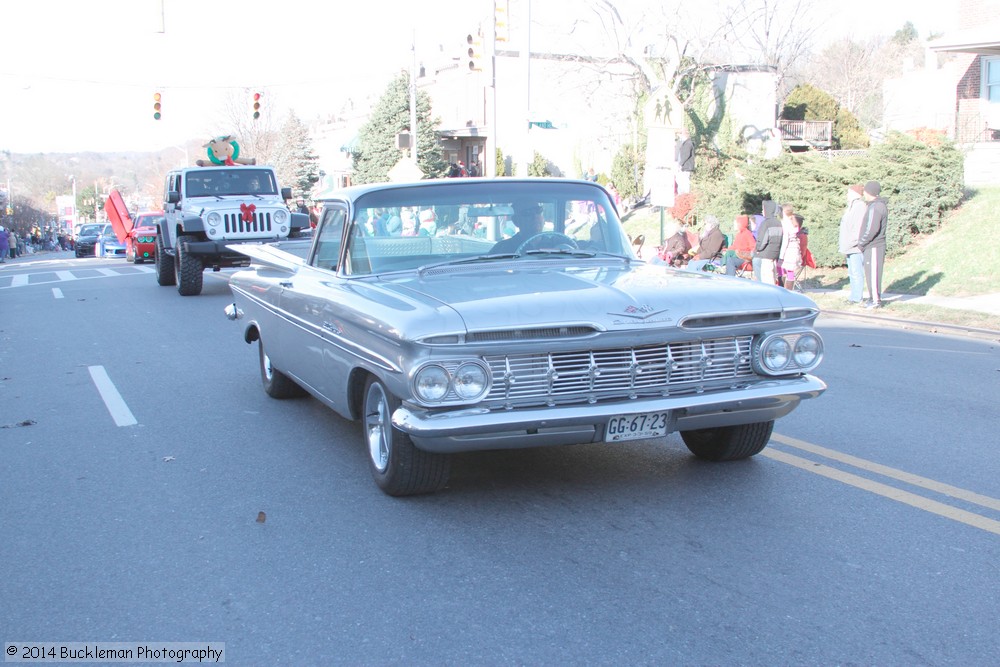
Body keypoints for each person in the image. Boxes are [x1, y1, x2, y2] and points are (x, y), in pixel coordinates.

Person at [858, 180, 888, 308]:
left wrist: (862, 243)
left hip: (874, 245)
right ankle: (872, 298)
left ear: (869, 192)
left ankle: (875, 300)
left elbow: (872, 229)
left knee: (874, 273)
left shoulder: (876, 207)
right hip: (870, 246)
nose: (864, 193)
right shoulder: (873, 206)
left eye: (865, 190)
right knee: (870, 273)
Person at [838, 184, 867, 304]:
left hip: (855, 247)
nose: (847, 195)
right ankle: (854, 295)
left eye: (849, 192)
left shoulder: (859, 206)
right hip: (849, 246)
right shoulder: (851, 207)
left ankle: (857, 297)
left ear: (855, 194)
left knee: (856, 272)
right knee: (852, 272)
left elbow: (858, 228)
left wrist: (853, 242)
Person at [753, 200, 783, 284]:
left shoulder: (766, 223)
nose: (762, 211)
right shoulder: (779, 223)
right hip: (776, 253)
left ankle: (768, 292)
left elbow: (762, 241)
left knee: (766, 276)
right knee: (773, 274)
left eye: (764, 209)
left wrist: (758, 249)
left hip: (766, 253)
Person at [777, 206, 802, 291]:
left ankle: (785, 291)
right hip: (794, 249)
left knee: (782, 269)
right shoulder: (793, 221)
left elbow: (785, 240)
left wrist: (781, 255)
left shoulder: (785, 223)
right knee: (790, 272)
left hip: (788, 250)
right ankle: (788, 291)